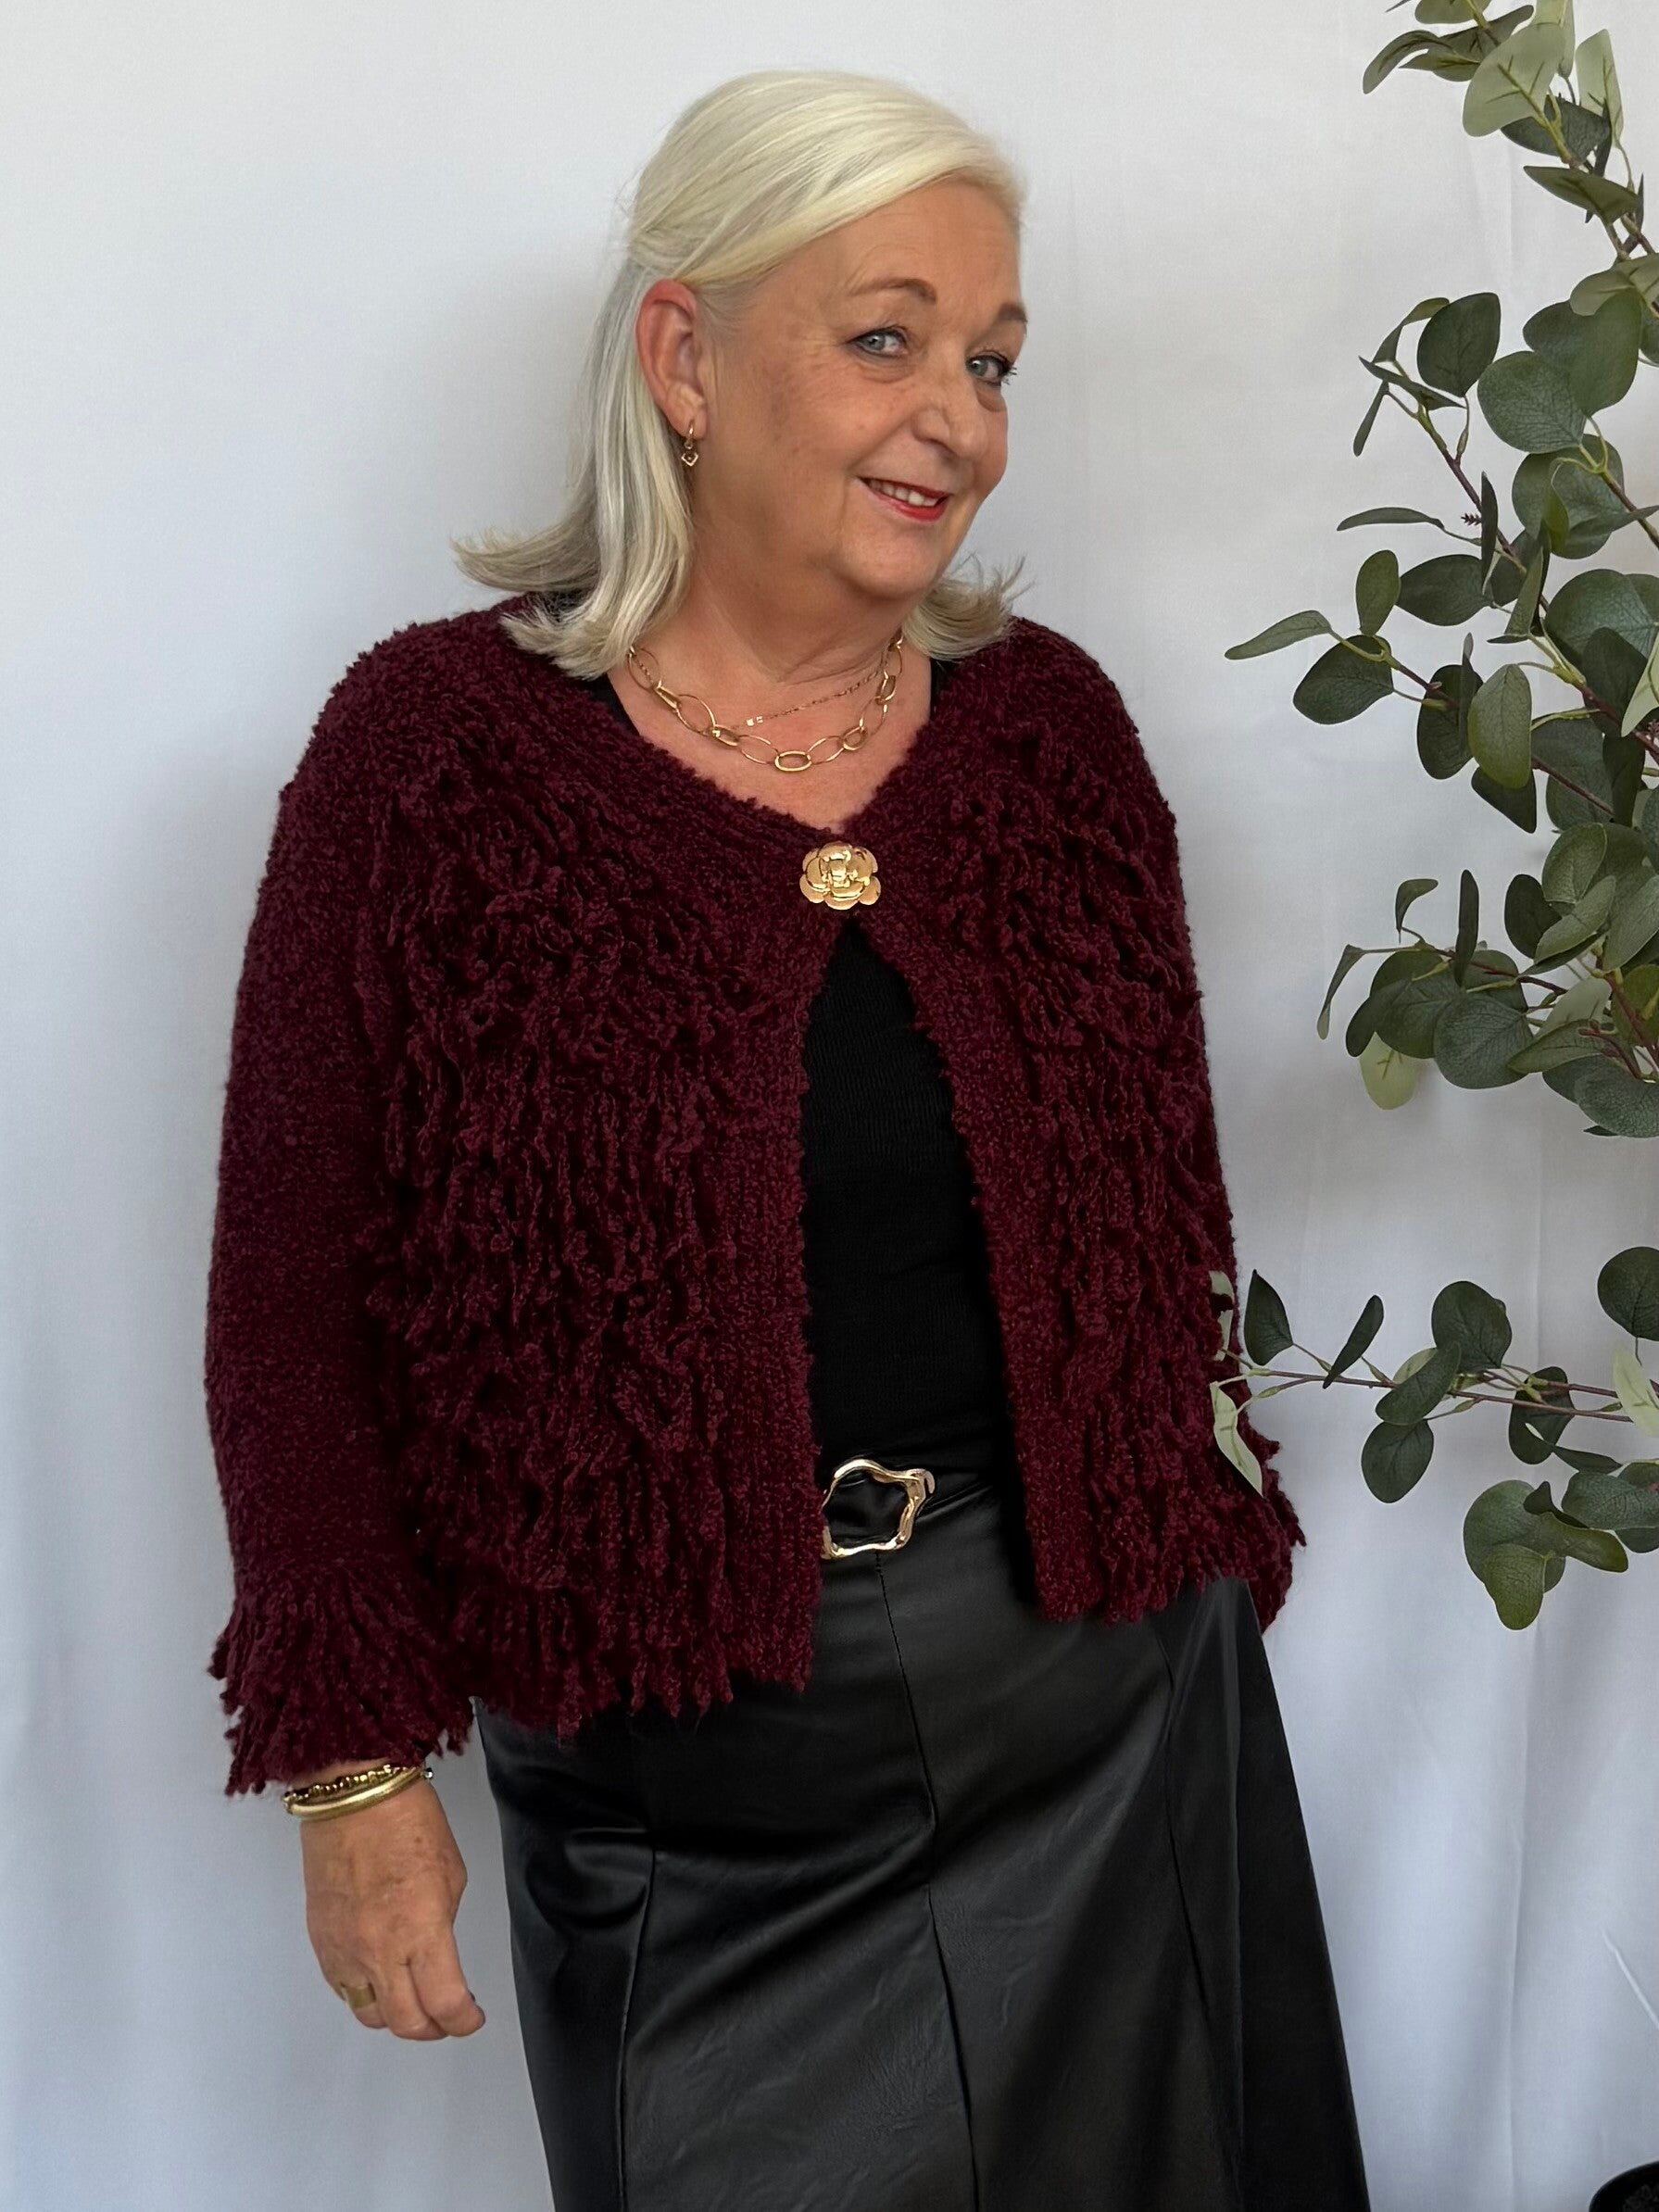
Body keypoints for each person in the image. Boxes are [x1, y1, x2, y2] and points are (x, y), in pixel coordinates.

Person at [203, 65, 1371, 2212]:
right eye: (883, 338)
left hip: (1104, 1710)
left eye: (990, 362)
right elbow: (288, 1304)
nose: (956, 419)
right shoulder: (431, 762)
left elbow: (1161, 1230)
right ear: (683, 358)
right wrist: (352, 1769)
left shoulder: (1048, 740)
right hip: (683, 1782)